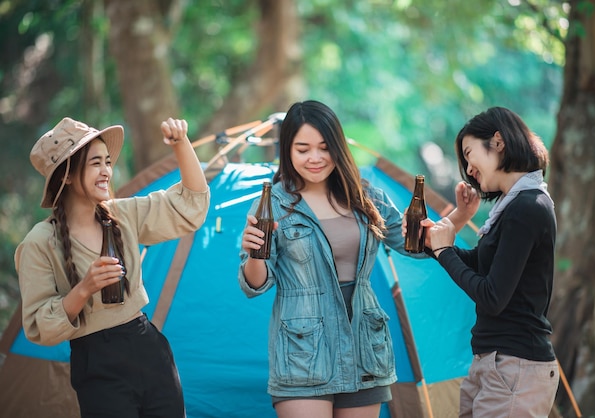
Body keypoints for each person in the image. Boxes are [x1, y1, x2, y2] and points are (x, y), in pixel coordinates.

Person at [238, 100, 474, 418]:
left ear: (337, 147)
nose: (315, 158)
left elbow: (414, 245)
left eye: (324, 147)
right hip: (303, 354)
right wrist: (255, 254)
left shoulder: (366, 198)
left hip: (364, 345)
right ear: (287, 151)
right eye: (303, 148)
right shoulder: (272, 205)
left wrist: (461, 215)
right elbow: (254, 284)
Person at [15, 116, 209, 418]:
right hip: (96, 363)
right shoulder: (39, 243)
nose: (107, 171)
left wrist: (181, 144)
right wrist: (84, 289)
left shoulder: (122, 214)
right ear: (66, 175)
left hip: (148, 348)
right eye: (95, 164)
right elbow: (40, 326)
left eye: (108, 162)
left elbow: (190, 207)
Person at [423, 106, 560, 417]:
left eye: (469, 153)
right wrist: (434, 243)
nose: (468, 168)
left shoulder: (528, 206)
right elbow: (480, 265)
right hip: (494, 362)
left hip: (516, 366)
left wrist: (445, 252)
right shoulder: (512, 206)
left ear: (498, 141)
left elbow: (492, 296)